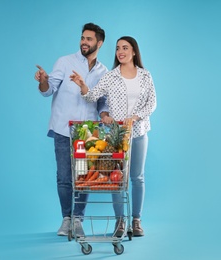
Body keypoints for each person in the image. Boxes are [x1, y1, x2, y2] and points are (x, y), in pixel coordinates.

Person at [70, 36, 157, 237]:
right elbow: (92, 96)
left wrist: (136, 117)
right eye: (118, 48)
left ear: (134, 51)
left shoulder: (146, 76)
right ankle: (120, 222)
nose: (120, 51)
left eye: (125, 48)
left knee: (137, 177)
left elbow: (152, 103)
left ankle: (136, 221)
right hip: (116, 137)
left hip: (138, 132)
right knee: (117, 179)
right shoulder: (111, 76)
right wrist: (82, 85)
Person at [34, 23, 109, 237]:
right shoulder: (64, 62)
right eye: (82, 38)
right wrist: (44, 81)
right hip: (63, 128)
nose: (84, 42)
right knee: (64, 177)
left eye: (89, 39)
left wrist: (104, 115)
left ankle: (78, 219)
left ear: (99, 43)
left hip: (88, 131)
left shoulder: (104, 72)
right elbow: (48, 90)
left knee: (84, 177)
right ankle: (66, 219)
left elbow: (103, 102)